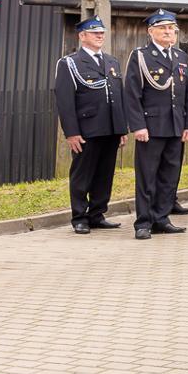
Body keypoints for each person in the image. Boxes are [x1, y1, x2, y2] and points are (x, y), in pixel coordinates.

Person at [123, 9, 188, 240]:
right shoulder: (141, 56)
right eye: (163, 28)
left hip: (175, 126)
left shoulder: (181, 57)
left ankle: (161, 218)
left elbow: (187, 95)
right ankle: (143, 222)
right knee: (147, 176)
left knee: (169, 176)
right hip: (152, 127)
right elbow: (132, 95)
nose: (168, 32)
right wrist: (138, 126)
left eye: (171, 28)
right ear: (151, 31)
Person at [55, 18, 128, 234]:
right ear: (82, 36)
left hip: (111, 128)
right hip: (87, 129)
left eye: (102, 33)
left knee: (105, 174)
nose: (99, 36)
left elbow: (119, 96)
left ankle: (97, 213)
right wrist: (72, 132)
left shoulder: (111, 61)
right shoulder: (70, 63)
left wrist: (122, 129)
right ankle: (79, 216)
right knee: (82, 174)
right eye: (94, 32)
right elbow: (65, 101)